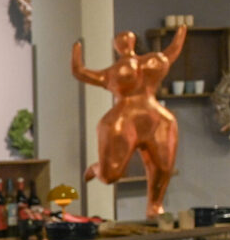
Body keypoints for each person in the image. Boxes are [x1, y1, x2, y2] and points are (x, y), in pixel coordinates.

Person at [72, 26, 185, 218]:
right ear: (117, 47)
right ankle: (96, 168)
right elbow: (80, 71)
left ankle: (154, 206)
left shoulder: (153, 61)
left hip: (154, 116)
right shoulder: (111, 73)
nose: (124, 42)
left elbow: (172, 51)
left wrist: (181, 32)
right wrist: (76, 51)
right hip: (123, 119)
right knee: (111, 175)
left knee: (163, 167)